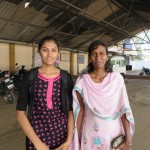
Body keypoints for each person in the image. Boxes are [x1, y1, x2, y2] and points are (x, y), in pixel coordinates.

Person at [72, 40, 135, 150]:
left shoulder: (116, 79)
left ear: (107, 57)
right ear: (90, 58)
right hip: (89, 136)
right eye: (93, 54)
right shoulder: (82, 81)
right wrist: (76, 140)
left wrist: (128, 141)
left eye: (102, 53)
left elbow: (123, 109)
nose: (98, 57)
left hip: (114, 136)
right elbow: (80, 111)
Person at [16, 36, 74, 150]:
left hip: (62, 137)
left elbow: (71, 112)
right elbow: (20, 113)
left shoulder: (66, 77)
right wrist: (38, 144)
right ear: (39, 53)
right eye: (45, 50)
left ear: (58, 53)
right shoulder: (30, 77)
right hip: (36, 137)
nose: (49, 54)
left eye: (53, 50)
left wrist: (68, 141)